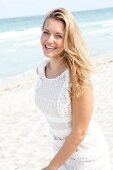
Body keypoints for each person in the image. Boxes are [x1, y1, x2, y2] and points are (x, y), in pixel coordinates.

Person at [34, 8, 111, 170]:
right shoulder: (41, 69)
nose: (49, 40)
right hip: (61, 155)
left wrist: (50, 167)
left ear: (69, 39)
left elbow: (80, 132)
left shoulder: (77, 76)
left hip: (87, 159)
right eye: (46, 32)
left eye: (59, 36)